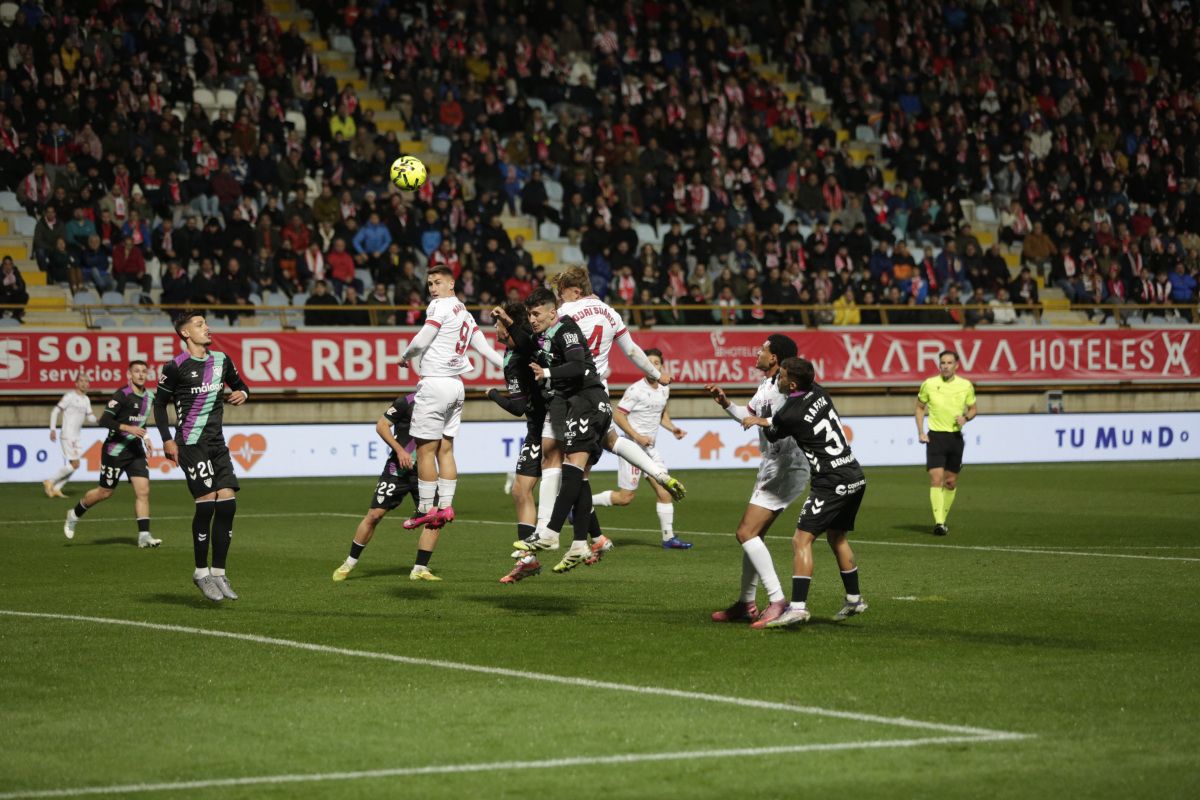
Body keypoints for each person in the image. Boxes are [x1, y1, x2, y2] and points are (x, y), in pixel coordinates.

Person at [742, 357, 868, 628]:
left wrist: (757, 419)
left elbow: (775, 432)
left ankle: (797, 608)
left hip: (831, 481)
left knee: (801, 541)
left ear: (793, 383)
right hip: (854, 475)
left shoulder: (790, 413)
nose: (779, 379)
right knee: (837, 536)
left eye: (783, 376)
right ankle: (855, 599)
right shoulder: (820, 391)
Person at [705, 334, 810, 629]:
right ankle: (746, 602)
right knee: (754, 536)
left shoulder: (787, 386)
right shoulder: (767, 385)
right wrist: (725, 402)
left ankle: (777, 600)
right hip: (772, 465)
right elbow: (747, 415)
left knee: (745, 533)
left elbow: (790, 419)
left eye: (764, 349)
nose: (758, 352)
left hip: (786, 466)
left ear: (774, 358)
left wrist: (766, 423)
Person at [152, 309, 250, 602]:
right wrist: (167, 440)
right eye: (199, 324)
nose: (206, 327)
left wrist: (243, 394)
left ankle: (218, 573)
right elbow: (159, 405)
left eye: (205, 322)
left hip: (217, 442)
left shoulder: (222, 360)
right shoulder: (175, 367)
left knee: (229, 503)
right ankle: (200, 572)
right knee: (206, 502)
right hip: (190, 444)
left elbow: (242, 386)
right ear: (185, 333)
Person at [399, 266, 504, 533]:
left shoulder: (439, 307)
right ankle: (446, 505)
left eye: (437, 282)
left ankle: (425, 509)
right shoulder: (466, 315)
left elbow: (422, 341)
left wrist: (405, 356)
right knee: (445, 448)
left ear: (451, 284)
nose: (432, 288)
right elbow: (487, 352)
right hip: (457, 386)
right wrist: (511, 369)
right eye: (430, 284)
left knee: (425, 450)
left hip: (435, 383)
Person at [516, 287, 613, 574]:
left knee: (571, 469)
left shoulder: (565, 330)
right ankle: (581, 543)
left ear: (551, 311)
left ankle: (551, 531)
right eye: (529, 315)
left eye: (536, 314)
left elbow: (576, 364)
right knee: (578, 474)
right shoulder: (546, 336)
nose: (532, 319)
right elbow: (526, 341)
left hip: (589, 401)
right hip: (581, 404)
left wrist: (546, 373)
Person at [332, 393, 445, 583]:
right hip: (397, 470)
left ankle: (420, 568)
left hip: (425, 472)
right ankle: (349, 563)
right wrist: (400, 450)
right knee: (375, 515)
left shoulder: (442, 401)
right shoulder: (406, 401)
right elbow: (381, 426)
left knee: (434, 518)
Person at [591, 348, 693, 549]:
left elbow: (662, 413)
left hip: (651, 449)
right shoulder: (635, 390)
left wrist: (673, 428)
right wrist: (637, 436)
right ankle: (582, 503)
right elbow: (618, 415)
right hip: (632, 449)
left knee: (665, 490)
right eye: (649, 362)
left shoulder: (664, 388)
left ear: (661, 366)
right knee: (625, 498)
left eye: (656, 363)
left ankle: (668, 538)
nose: (653, 366)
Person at [62, 361, 161, 549]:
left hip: (135, 451)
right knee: (105, 492)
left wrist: (145, 436)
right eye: (136, 371)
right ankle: (74, 514)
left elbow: (141, 422)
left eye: (144, 372)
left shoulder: (149, 396)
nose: (141, 374)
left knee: (143, 491)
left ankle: (144, 536)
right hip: (114, 451)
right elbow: (104, 420)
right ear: (129, 375)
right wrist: (127, 428)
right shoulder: (121, 395)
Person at [487, 302, 549, 584]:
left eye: (497, 323)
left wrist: (492, 394)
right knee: (521, 489)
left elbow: (517, 406)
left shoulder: (515, 357)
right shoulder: (527, 346)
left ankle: (589, 540)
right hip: (541, 425)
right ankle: (528, 559)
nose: (495, 329)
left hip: (547, 427)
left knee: (563, 487)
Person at [915, 350, 977, 536]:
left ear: (956, 365)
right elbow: (919, 407)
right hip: (935, 437)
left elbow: (973, 409)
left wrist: (966, 417)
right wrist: (920, 431)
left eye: (949, 362)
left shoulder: (965, 385)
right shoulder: (929, 384)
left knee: (950, 482)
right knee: (936, 479)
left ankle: (942, 520)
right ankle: (939, 523)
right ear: (939, 365)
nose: (945, 366)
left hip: (955, 439)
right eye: (943, 362)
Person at [44, 374, 98, 498]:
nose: (85, 383)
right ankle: (50, 481)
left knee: (75, 465)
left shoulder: (86, 399)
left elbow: (89, 417)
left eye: (87, 381)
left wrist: (99, 420)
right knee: (75, 464)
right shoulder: (70, 396)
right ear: (76, 383)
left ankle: (57, 488)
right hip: (67, 435)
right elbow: (55, 411)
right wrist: (52, 429)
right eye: (82, 381)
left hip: (77, 436)